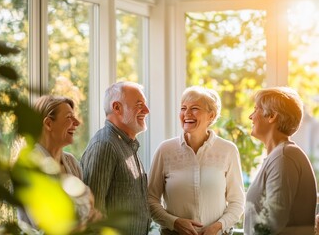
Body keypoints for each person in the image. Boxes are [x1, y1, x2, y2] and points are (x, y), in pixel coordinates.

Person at [148, 86, 245, 235]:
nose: (187, 113)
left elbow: (237, 202)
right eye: (183, 108)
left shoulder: (228, 150)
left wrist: (218, 226)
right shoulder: (165, 150)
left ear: (211, 116)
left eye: (194, 108)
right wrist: (174, 222)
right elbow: (150, 198)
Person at [17, 95, 101, 232]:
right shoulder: (29, 167)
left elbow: (91, 212)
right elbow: (44, 226)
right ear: (49, 123)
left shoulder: (72, 162)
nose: (77, 122)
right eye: (69, 117)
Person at [80, 81, 151, 235]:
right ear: (117, 108)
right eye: (139, 105)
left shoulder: (127, 145)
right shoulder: (105, 145)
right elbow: (93, 214)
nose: (147, 110)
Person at [244, 87, 317, 234]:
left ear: (272, 116)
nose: (250, 117)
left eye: (255, 109)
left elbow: (272, 223)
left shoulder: (284, 157)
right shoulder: (279, 155)